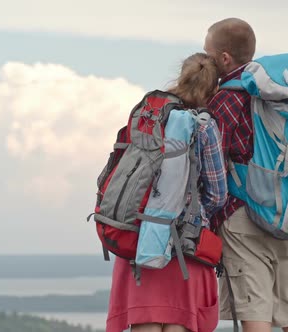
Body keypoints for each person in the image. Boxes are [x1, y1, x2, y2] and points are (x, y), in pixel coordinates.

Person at [204, 18, 288, 332]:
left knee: (257, 317)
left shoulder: (226, 98)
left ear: (224, 58)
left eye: (208, 53)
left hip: (245, 217)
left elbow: (211, 165)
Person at [105, 53, 228, 332]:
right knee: (180, 323)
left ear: (180, 77)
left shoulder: (148, 116)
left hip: (138, 241)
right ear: (214, 88)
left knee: (144, 324)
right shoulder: (205, 126)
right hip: (185, 247)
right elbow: (217, 194)